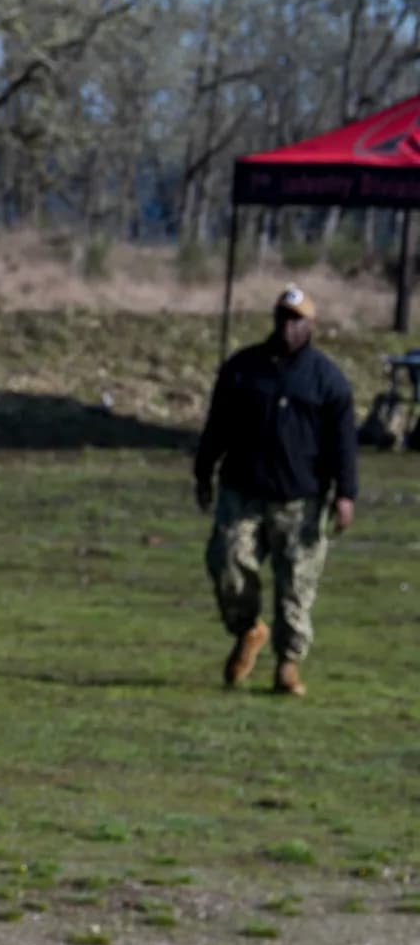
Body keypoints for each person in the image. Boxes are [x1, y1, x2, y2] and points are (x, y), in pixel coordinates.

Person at [194, 283, 358, 696]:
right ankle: (248, 629)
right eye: (283, 317)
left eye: (297, 319)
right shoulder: (242, 369)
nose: (288, 327)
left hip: (300, 498)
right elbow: (217, 426)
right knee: (226, 562)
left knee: (296, 586)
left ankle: (288, 664)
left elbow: (343, 442)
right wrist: (203, 472)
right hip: (242, 490)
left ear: (311, 325)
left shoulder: (327, 380)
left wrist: (345, 494)